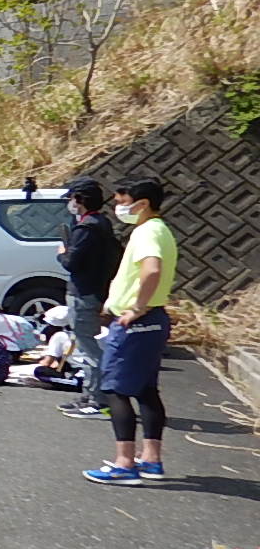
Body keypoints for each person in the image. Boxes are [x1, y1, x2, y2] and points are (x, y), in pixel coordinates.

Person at [85, 179, 179, 486]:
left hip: (136, 322)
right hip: (155, 320)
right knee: (146, 390)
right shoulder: (162, 230)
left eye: (121, 201)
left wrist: (136, 308)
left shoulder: (146, 231)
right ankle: (151, 459)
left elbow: (151, 270)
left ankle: (124, 463)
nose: (118, 207)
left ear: (141, 203)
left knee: (115, 390)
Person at [56, 177, 121, 420]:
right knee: (85, 347)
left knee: (90, 350)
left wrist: (62, 253)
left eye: (72, 199)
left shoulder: (86, 228)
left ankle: (99, 401)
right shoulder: (101, 223)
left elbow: (72, 263)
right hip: (94, 291)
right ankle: (90, 394)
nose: (70, 204)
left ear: (80, 200)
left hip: (84, 294)